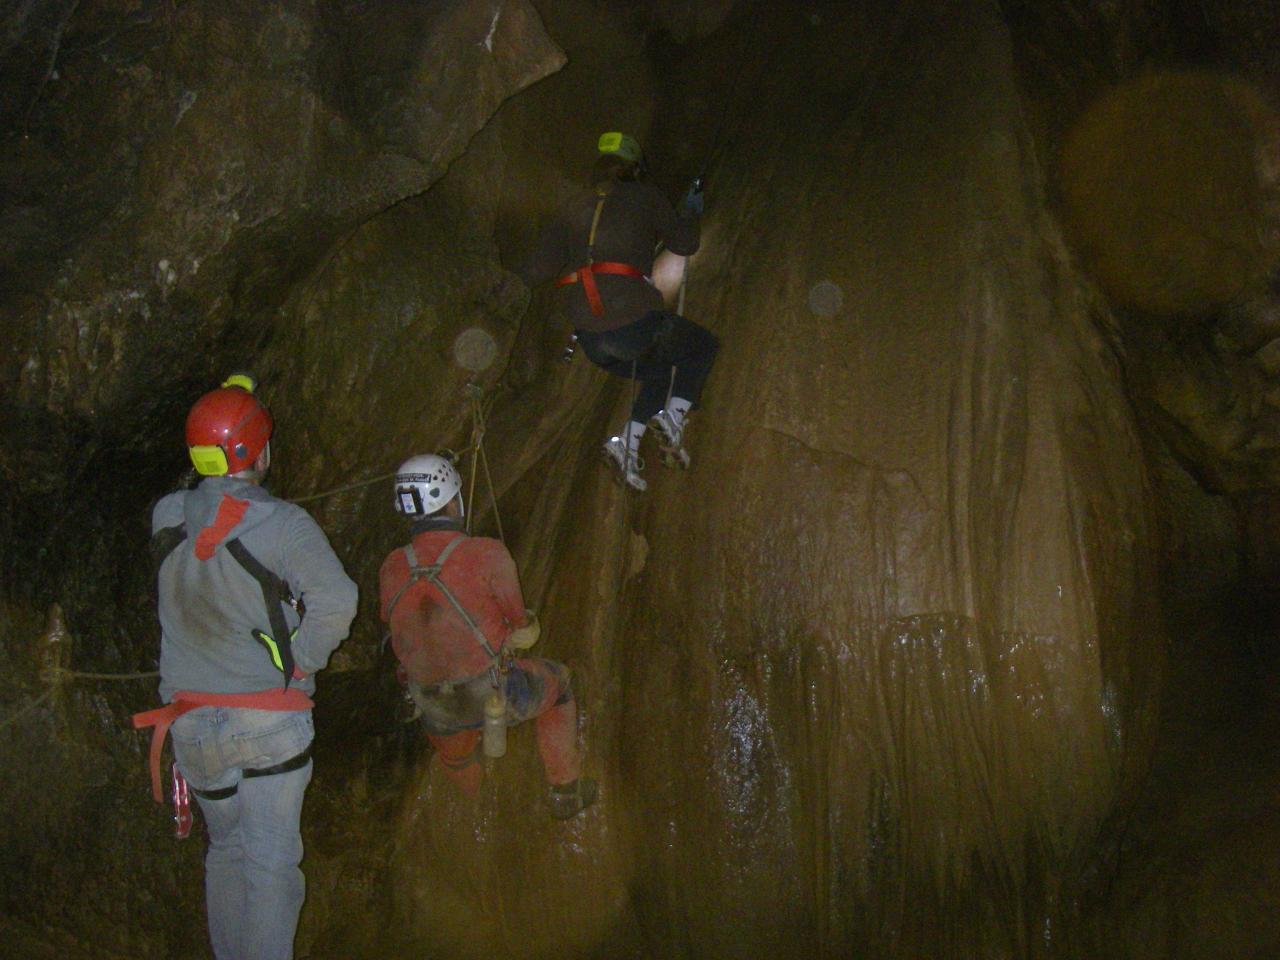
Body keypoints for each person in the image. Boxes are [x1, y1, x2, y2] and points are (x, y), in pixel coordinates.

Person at [133, 374, 358, 960]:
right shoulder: (285, 524)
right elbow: (338, 602)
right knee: (270, 862)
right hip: (266, 723)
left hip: (190, 724)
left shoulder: (165, 515)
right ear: (259, 451)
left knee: (226, 852)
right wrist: (300, 665)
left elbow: (206, 507)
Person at [378, 453, 596, 819]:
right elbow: (517, 621)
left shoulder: (391, 566)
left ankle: (473, 809)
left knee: (454, 751)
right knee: (559, 685)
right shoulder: (486, 553)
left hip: (432, 703)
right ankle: (565, 790)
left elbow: (395, 625)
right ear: (451, 500)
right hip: (493, 694)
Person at [519, 131, 720, 492]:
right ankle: (674, 417)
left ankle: (627, 441)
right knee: (702, 346)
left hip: (592, 341)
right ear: (636, 169)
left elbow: (536, 268)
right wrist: (689, 211)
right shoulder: (643, 196)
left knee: (658, 369)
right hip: (634, 323)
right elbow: (685, 243)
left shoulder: (571, 206)